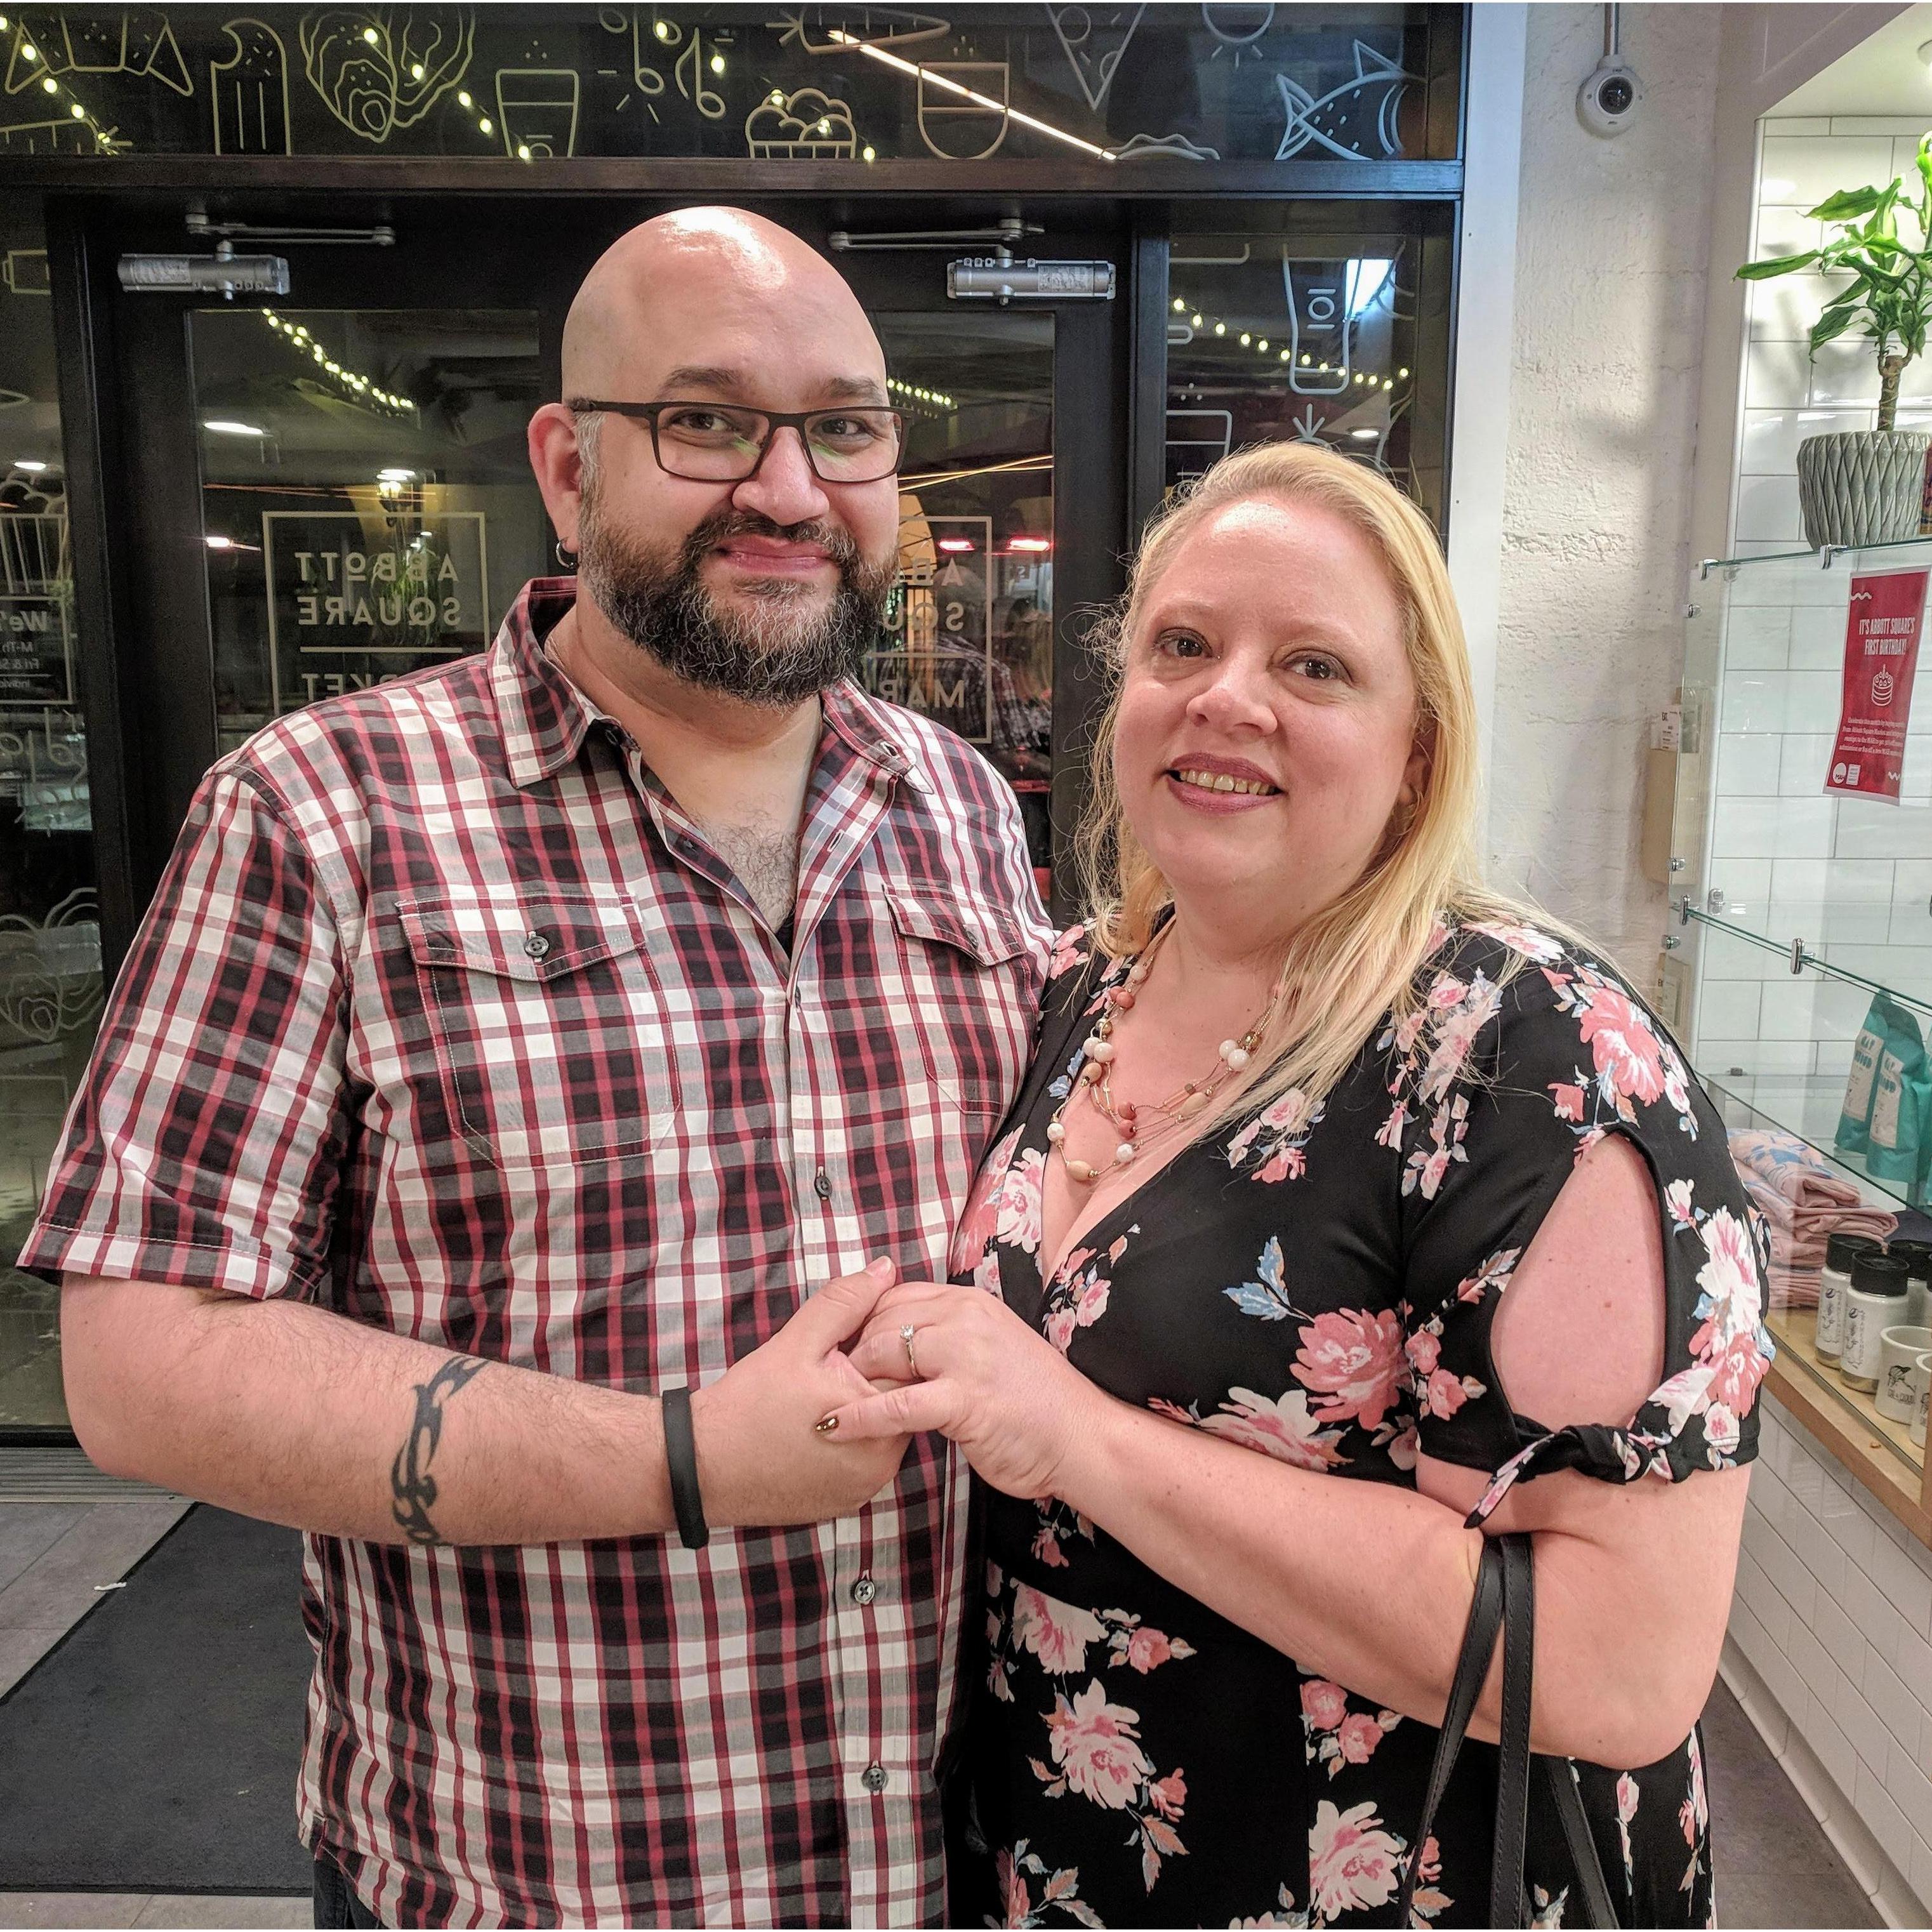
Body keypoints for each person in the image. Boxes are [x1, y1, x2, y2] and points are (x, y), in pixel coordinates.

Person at [25, 209, 1048, 1926]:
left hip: (955, 1862)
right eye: (708, 420)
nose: (791, 489)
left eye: (847, 426)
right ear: (570, 466)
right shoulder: (322, 811)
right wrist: (689, 1454)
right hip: (544, 1879)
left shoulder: (952, 800)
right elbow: (141, 1364)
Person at [826, 441, 1769, 1928]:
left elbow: (1618, 1662)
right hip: (1066, 1855)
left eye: (1314, 665)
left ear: (1416, 749)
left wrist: (1071, 1432)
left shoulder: (1525, 1058)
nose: (1225, 697)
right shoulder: (1076, 993)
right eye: (1182, 646)